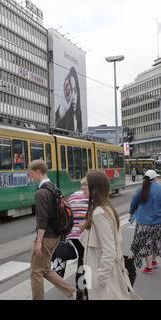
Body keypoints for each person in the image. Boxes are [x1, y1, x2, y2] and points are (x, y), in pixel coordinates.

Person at [80, 171, 138, 300]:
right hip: (100, 273)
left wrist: (100, 279)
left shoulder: (99, 213)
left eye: (86, 185)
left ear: (95, 188)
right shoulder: (104, 208)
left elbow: (109, 249)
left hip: (102, 277)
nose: (82, 187)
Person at [28, 160, 75, 300]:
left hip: (46, 237)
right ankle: (71, 291)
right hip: (55, 235)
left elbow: (42, 220)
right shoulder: (53, 187)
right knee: (45, 269)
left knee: (36, 273)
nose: (30, 177)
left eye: (31, 174)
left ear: (38, 172)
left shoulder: (41, 192)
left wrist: (38, 242)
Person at [129, 169, 161, 274]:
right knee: (155, 241)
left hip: (144, 222)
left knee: (146, 243)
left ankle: (149, 267)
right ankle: (154, 261)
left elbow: (134, 202)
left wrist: (131, 211)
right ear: (154, 178)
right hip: (158, 222)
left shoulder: (141, 189)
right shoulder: (160, 188)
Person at [55, 67, 82, 133]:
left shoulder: (79, 119)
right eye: (69, 90)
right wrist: (62, 112)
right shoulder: (62, 114)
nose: (73, 97)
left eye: (75, 90)